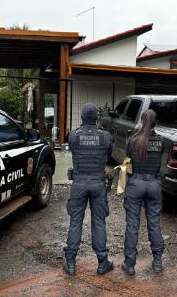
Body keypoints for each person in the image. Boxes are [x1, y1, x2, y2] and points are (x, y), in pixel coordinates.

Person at [63, 103, 114, 276]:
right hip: (98, 184)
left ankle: (70, 263)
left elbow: (71, 148)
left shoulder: (73, 135)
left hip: (79, 184)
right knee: (99, 223)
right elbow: (109, 152)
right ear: (96, 118)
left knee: (75, 222)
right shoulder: (105, 136)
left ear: (82, 118)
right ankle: (102, 262)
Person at [121, 109, 165, 275]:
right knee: (154, 222)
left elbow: (128, 164)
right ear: (155, 123)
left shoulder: (133, 140)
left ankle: (130, 264)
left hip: (136, 184)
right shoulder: (160, 142)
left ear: (141, 121)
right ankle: (158, 262)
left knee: (132, 224)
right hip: (154, 184)